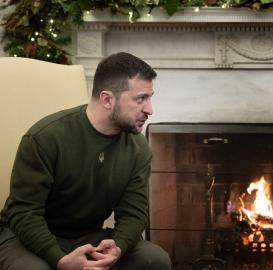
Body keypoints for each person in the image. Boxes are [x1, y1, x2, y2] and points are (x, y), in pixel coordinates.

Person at [0, 52, 172, 270]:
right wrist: (59, 259)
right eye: (141, 99)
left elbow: (133, 214)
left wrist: (117, 247)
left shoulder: (138, 148)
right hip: (26, 237)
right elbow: (24, 213)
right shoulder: (45, 137)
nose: (150, 109)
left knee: (155, 260)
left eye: (150, 97)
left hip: (87, 237)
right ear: (107, 99)